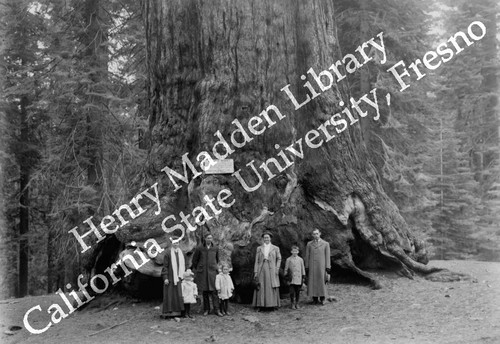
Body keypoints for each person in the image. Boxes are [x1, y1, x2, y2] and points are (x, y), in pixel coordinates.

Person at [192, 233, 222, 316]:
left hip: (212, 272)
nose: (210, 239)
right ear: (205, 239)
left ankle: (217, 309)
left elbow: (217, 259)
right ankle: (206, 309)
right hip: (203, 273)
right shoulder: (199, 248)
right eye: (208, 238)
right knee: (204, 292)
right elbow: (195, 260)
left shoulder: (215, 248)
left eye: (211, 238)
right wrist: (199, 268)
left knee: (214, 291)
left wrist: (214, 267)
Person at [252, 232, 281, 310]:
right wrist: (255, 272)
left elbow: (279, 258)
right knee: (261, 285)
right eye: (264, 238)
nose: (266, 239)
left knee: (271, 285)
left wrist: (277, 268)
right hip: (261, 268)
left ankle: (272, 305)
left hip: (272, 269)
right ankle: (260, 305)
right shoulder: (259, 248)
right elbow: (256, 261)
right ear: (263, 239)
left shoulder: (275, 248)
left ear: (270, 238)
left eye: (267, 237)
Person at [305, 228, 331, 305]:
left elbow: (327, 256)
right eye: (314, 234)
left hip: (321, 267)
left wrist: (327, 267)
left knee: (322, 282)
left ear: (320, 234)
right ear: (312, 235)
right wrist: (307, 266)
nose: (315, 235)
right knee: (313, 282)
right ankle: (315, 299)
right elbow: (307, 256)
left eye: (317, 233)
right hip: (312, 266)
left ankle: (322, 298)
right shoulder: (309, 244)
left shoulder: (325, 244)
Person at [161, 238, 185, 318]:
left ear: (179, 243)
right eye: (174, 243)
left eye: (177, 243)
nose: (176, 244)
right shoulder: (168, 253)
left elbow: (186, 264)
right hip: (171, 278)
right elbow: (165, 266)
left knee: (179, 294)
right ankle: (169, 313)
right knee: (170, 294)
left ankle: (179, 312)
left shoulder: (182, 253)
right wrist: (165, 277)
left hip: (180, 277)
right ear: (172, 244)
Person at [284, 245, 306, 309]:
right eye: (293, 251)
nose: (295, 252)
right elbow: (286, 268)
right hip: (291, 279)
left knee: (297, 291)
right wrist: (286, 276)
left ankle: (297, 303)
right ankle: (292, 303)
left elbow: (303, 268)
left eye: (296, 251)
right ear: (291, 252)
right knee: (291, 292)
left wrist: (303, 276)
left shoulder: (300, 259)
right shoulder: (288, 259)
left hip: (298, 278)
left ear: (298, 252)